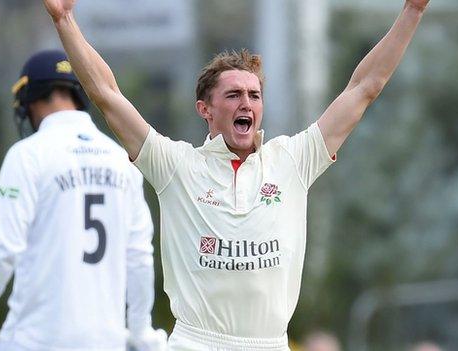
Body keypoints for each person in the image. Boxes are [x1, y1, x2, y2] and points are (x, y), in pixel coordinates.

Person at [42, 0, 430, 349]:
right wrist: (65, 20)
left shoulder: (293, 159)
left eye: (254, 95)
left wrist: (412, 11)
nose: (247, 102)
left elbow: (364, 87)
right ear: (205, 109)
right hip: (196, 342)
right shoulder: (175, 165)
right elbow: (107, 94)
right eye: (233, 95)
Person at [0, 50, 166, 351]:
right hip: (106, 342)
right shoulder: (120, 160)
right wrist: (140, 330)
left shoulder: (28, 155)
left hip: (35, 339)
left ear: (31, 98)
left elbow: (5, 246)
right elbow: (139, 256)